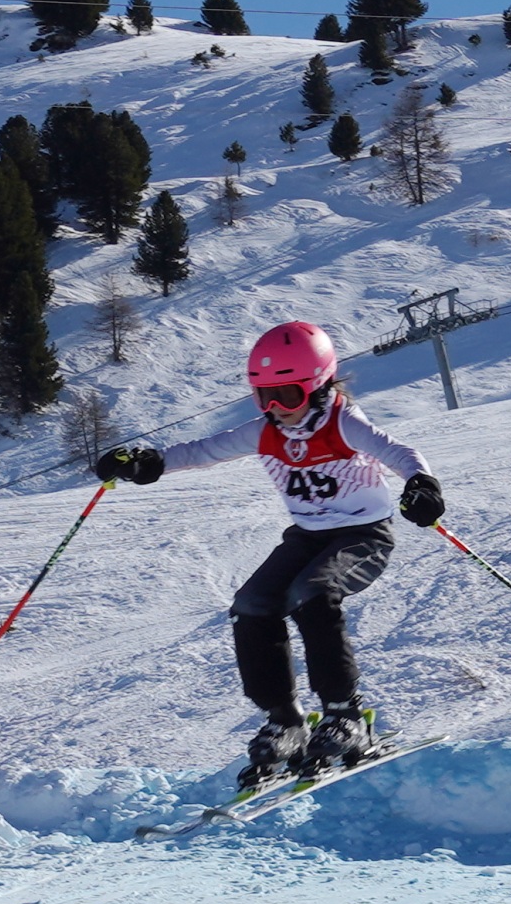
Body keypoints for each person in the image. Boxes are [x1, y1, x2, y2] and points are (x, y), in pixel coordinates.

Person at [96, 320, 446, 787]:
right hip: (307, 536)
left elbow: (399, 452)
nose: (276, 409)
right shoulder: (266, 431)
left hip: (363, 535)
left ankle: (346, 716)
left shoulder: (343, 423)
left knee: (313, 593)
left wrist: (421, 484)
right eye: (265, 397)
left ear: (319, 386)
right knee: (251, 605)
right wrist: (148, 462)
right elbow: (203, 450)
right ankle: (286, 722)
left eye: (287, 395)